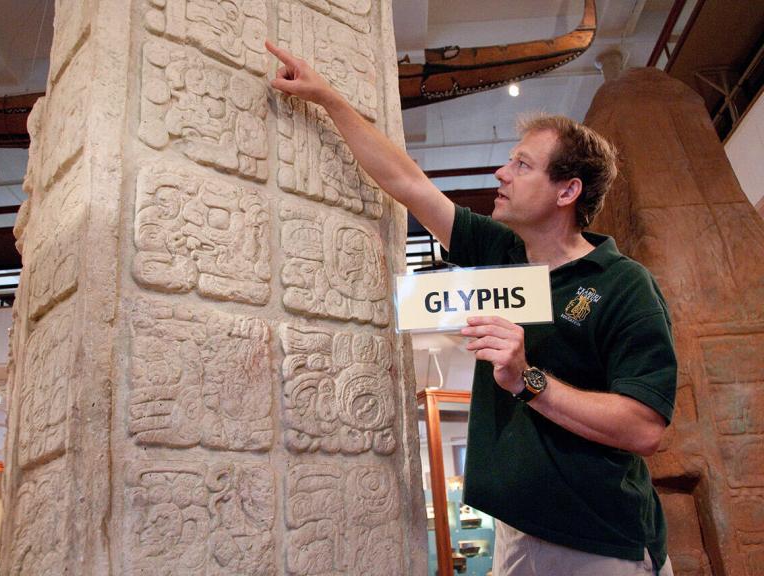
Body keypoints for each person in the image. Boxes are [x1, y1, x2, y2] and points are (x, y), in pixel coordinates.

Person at [266, 40, 677, 576]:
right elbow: (409, 184)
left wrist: (528, 379)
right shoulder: (501, 251)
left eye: (522, 164)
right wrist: (329, 99)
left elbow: (646, 429)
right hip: (516, 531)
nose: (502, 174)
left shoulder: (625, 285)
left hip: (599, 541)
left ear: (567, 190)